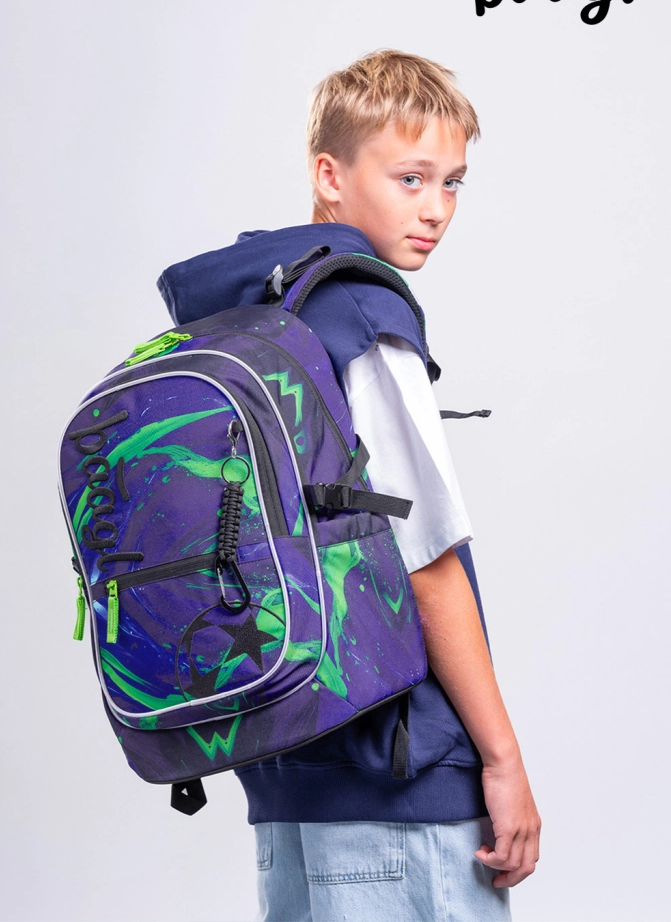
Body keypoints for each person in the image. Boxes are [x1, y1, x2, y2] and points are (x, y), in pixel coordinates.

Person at [159, 49, 541, 921]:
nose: (435, 208)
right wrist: (501, 760)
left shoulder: (249, 319)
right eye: (410, 178)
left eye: (451, 183)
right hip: (402, 777)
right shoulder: (362, 315)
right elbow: (425, 560)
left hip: (286, 762)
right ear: (329, 175)